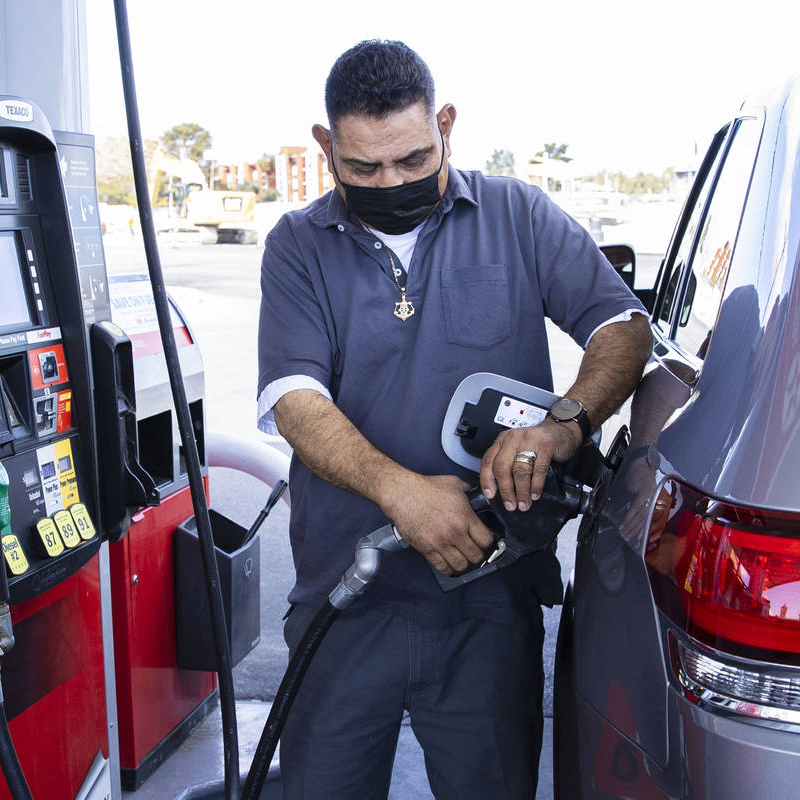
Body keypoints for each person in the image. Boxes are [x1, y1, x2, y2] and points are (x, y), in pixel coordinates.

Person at [256, 39, 651, 798]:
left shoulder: (518, 214)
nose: (391, 182)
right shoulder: (299, 245)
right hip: (345, 601)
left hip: (487, 600)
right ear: (324, 145)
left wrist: (565, 423)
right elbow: (295, 401)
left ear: (445, 125)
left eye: (411, 160)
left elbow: (621, 327)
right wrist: (403, 495)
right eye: (363, 167)